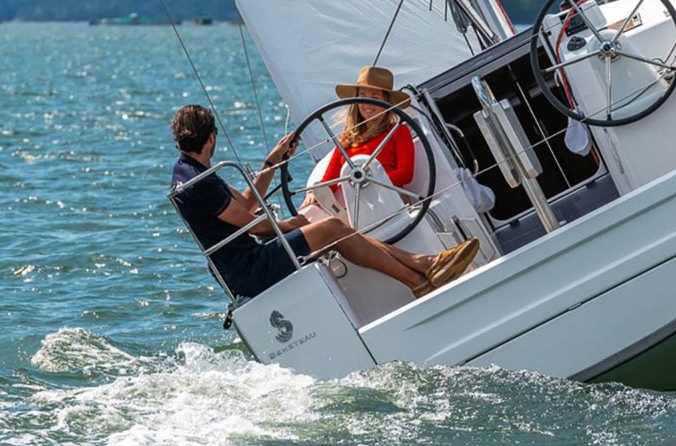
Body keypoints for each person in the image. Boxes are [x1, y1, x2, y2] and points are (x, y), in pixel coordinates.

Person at [169, 104, 477, 299]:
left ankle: (421, 268)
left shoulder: (190, 172)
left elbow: (247, 203)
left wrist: (271, 164)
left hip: (241, 266)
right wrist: (292, 224)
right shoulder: (201, 182)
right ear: (211, 138)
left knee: (330, 229)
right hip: (249, 269)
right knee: (329, 227)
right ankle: (417, 278)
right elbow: (256, 226)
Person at [307, 66, 415, 209]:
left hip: (390, 200)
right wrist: (314, 193)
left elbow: (405, 174)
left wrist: (367, 184)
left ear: (387, 102)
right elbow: (330, 180)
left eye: (375, 98)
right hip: (356, 204)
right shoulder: (347, 139)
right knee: (309, 216)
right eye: (362, 96)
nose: (368, 104)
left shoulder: (398, 131)